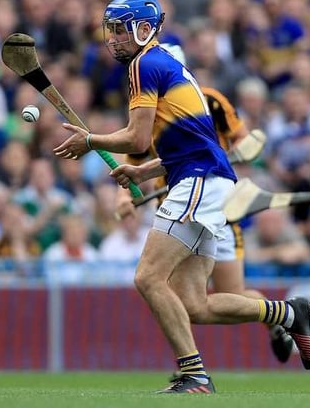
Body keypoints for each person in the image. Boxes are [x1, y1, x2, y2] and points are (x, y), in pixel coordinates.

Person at [53, 0, 310, 394]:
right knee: (196, 305)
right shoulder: (166, 64)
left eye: (121, 30)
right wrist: (144, 170)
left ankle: (194, 374)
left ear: (144, 29)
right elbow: (187, 145)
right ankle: (286, 313)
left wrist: (90, 140)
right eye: (111, 30)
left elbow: (136, 138)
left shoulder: (144, 65)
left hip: (198, 183)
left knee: (147, 277)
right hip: (205, 179)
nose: (113, 39)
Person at [114, 84, 295, 364]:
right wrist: (123, 197)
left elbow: (245, 141)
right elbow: (135, 157)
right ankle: (191, 366)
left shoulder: (210, 100)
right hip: (177, 207)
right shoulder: (145, 110)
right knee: (183, 299)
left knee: (229, 296)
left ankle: (276, 318)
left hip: (214, 204)